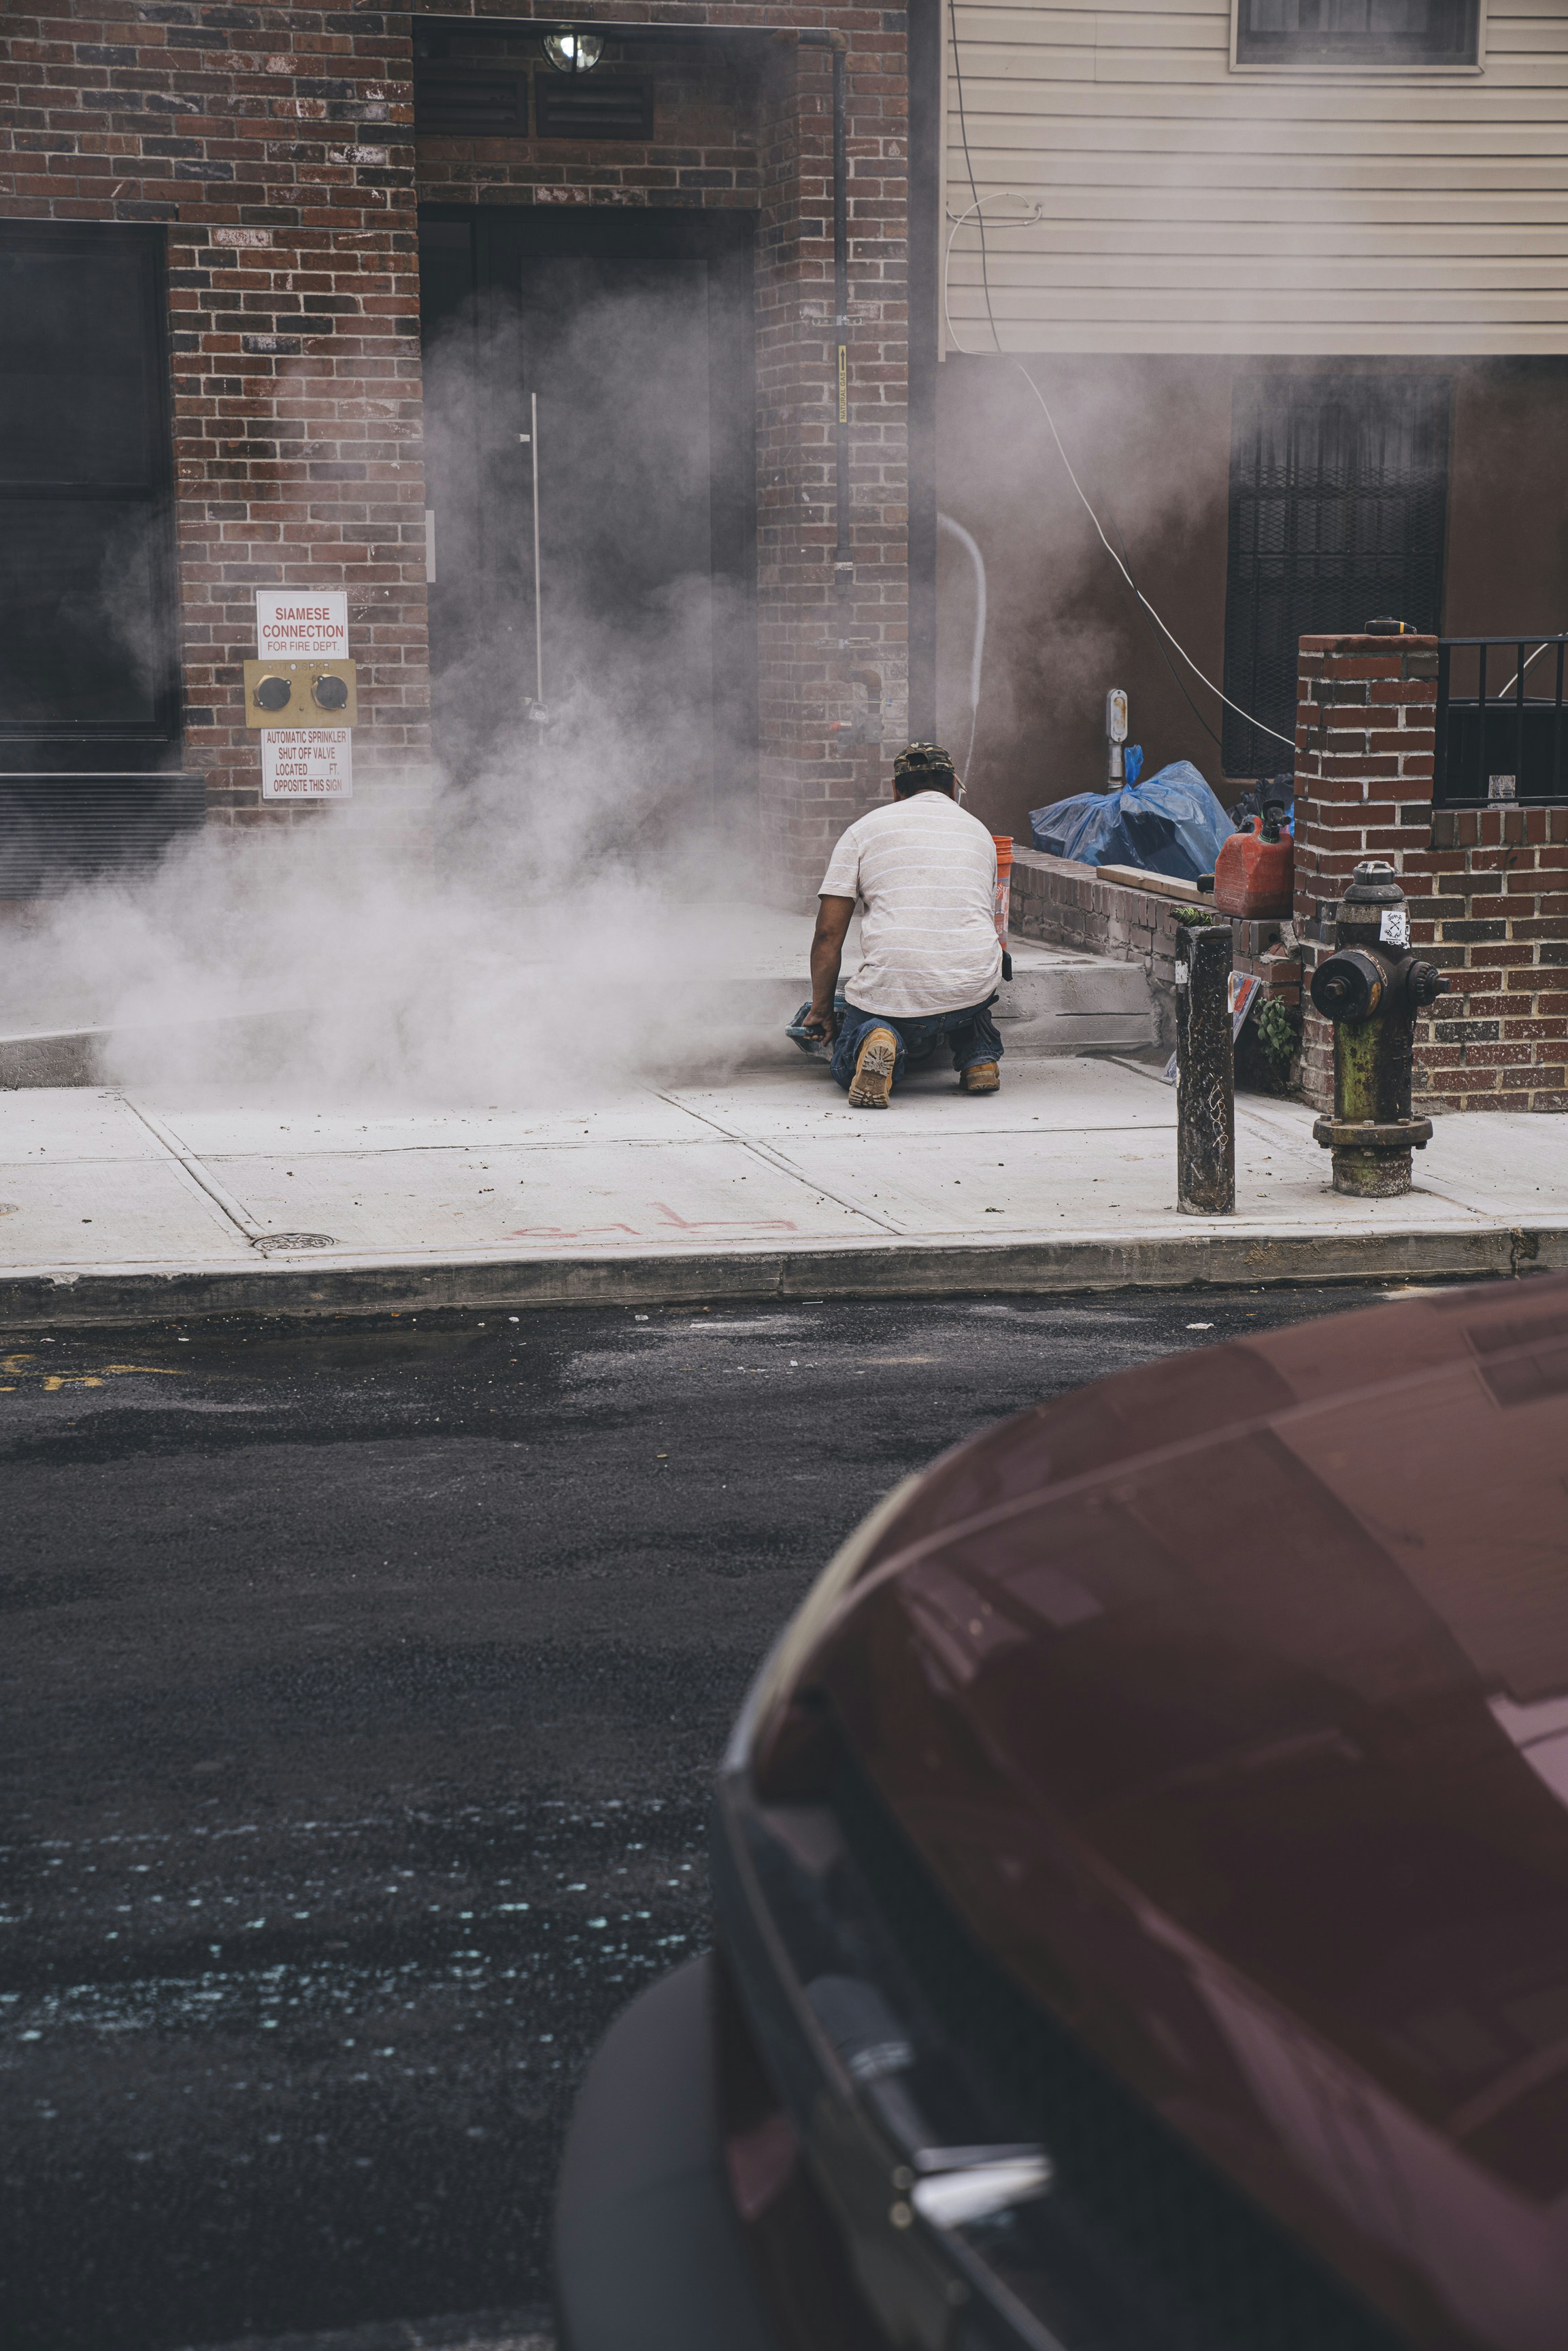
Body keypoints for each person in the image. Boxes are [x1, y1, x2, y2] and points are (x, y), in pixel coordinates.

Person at [802, 742, 1005, 1110]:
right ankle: (979, 1058)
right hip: (972, 985)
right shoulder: (980, 833)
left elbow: (828, 935)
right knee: (967, 991)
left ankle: (878, 1038)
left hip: (897, 989)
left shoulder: (862, 831)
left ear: (896, 790)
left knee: (852, 1049)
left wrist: (821, 1010)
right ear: (955, 787)